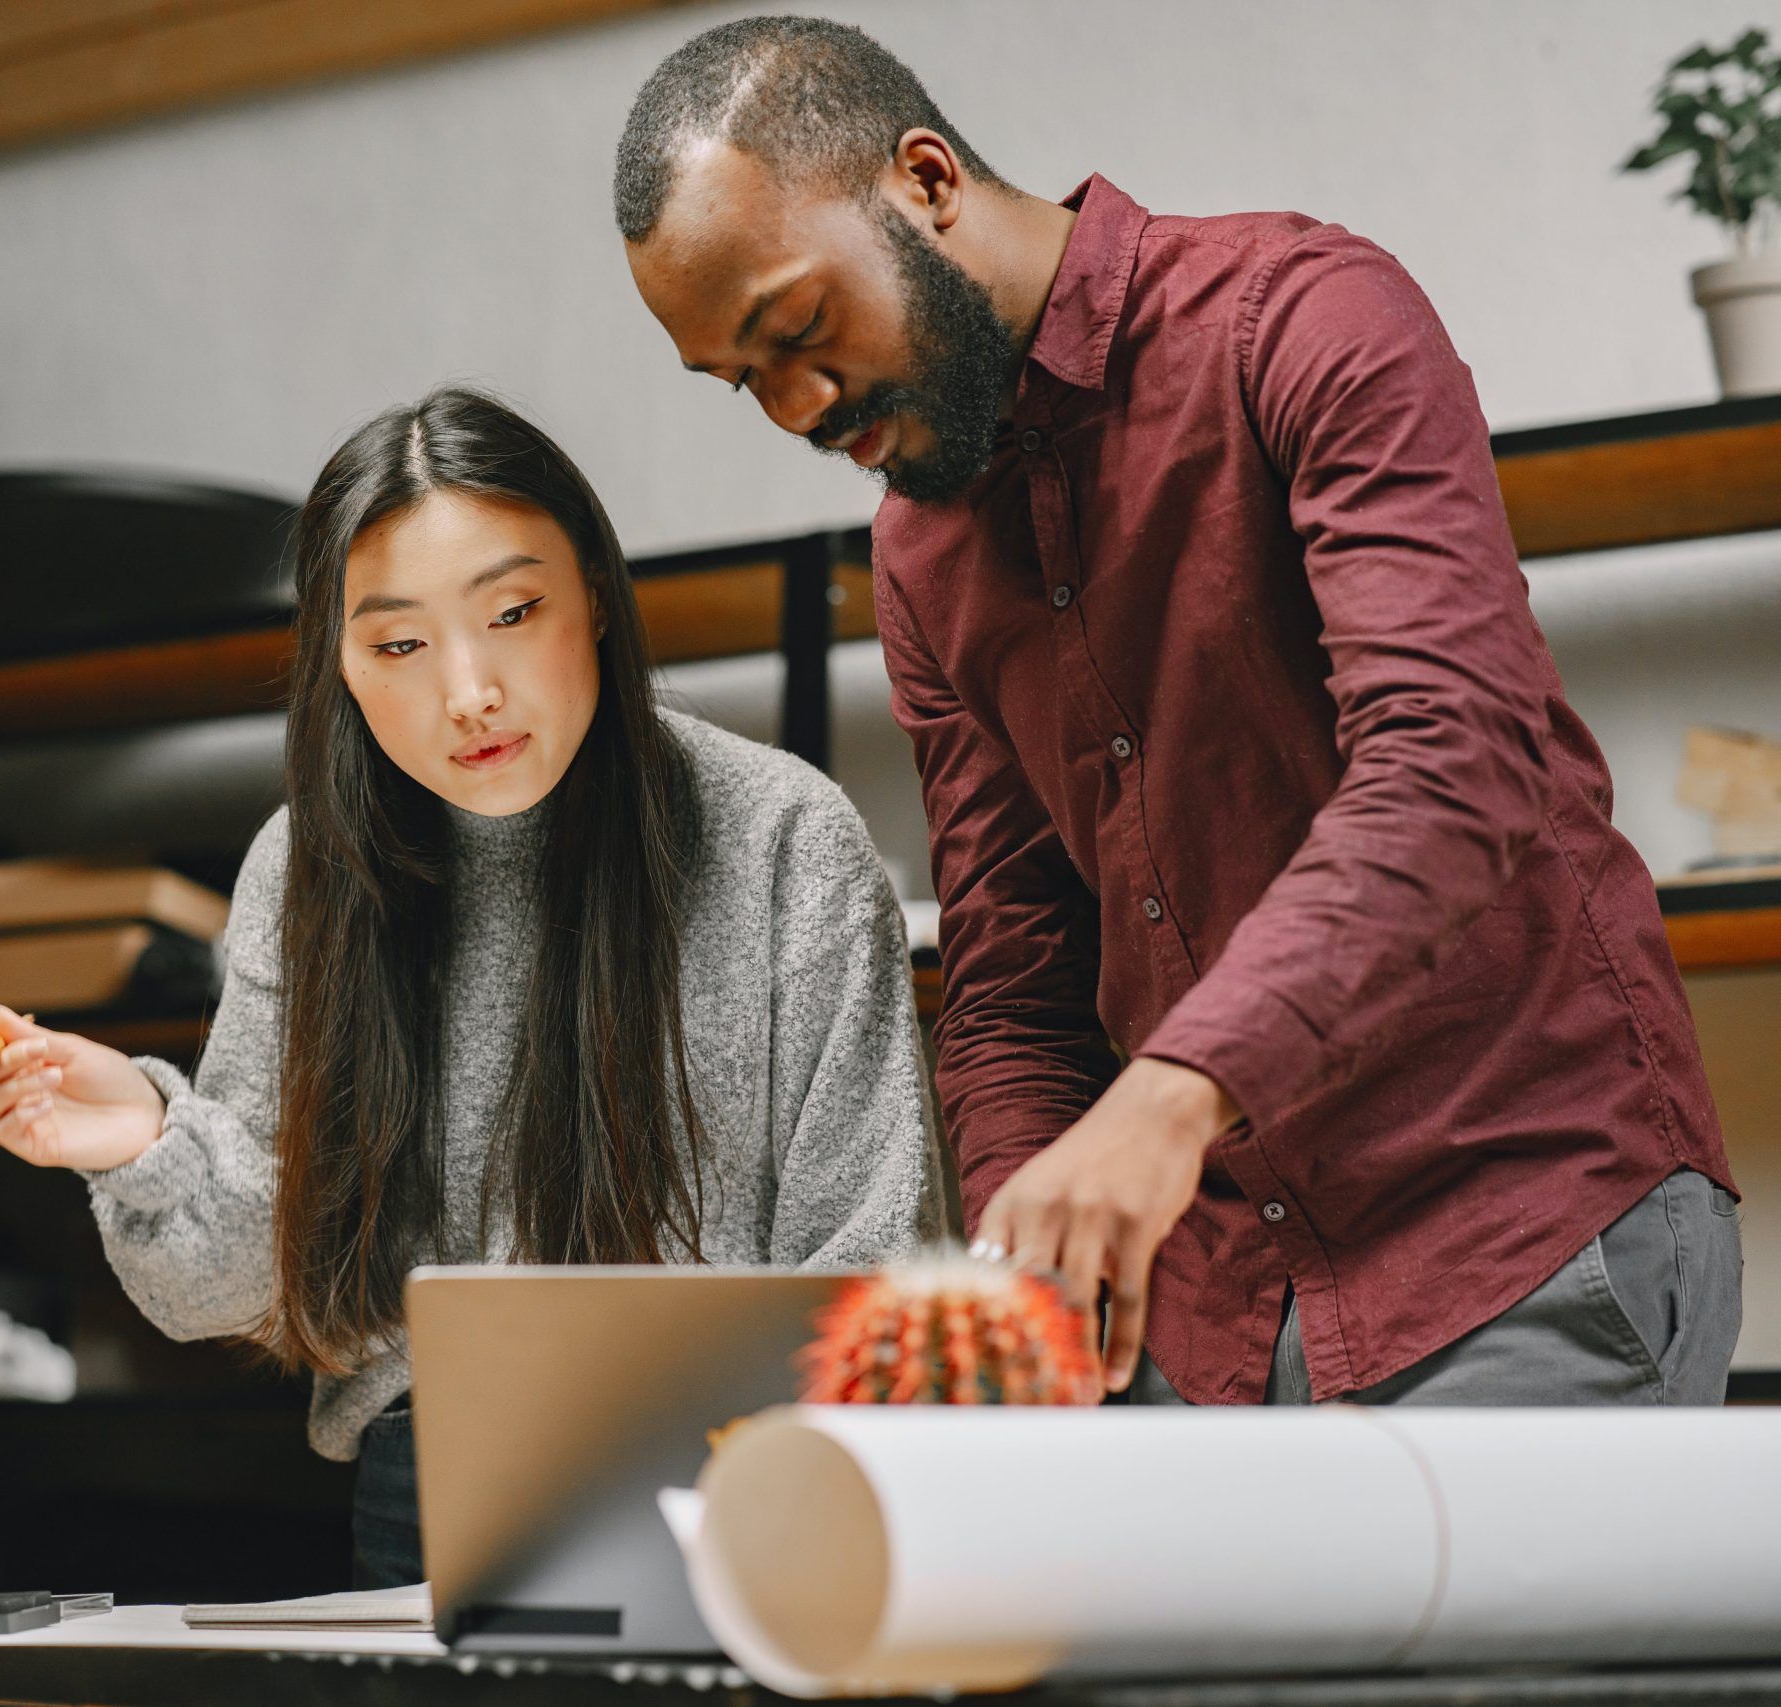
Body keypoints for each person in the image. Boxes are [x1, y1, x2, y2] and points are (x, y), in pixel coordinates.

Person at [615, 17, 1741, 1407]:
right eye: (741, 377)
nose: (794, 404)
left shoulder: (1305, 316)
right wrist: (1027, 1270)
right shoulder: (919, 555)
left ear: (924, 179)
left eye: (798, 328)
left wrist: (1174, 1088)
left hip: (1515, 1236)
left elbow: (1456, 766)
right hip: (1206, 1320)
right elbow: (1013, 983)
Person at [0, 385, 946, 1586]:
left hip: (749, 1468)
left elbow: (871, 1251)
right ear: (340, 666)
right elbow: (229, 1298)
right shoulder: (308, 867)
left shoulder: (780, 833)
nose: (467, 691)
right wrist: (147, 1141)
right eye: (398, 646)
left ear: (592, 593)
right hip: (425, 1493)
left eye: (514, 612)